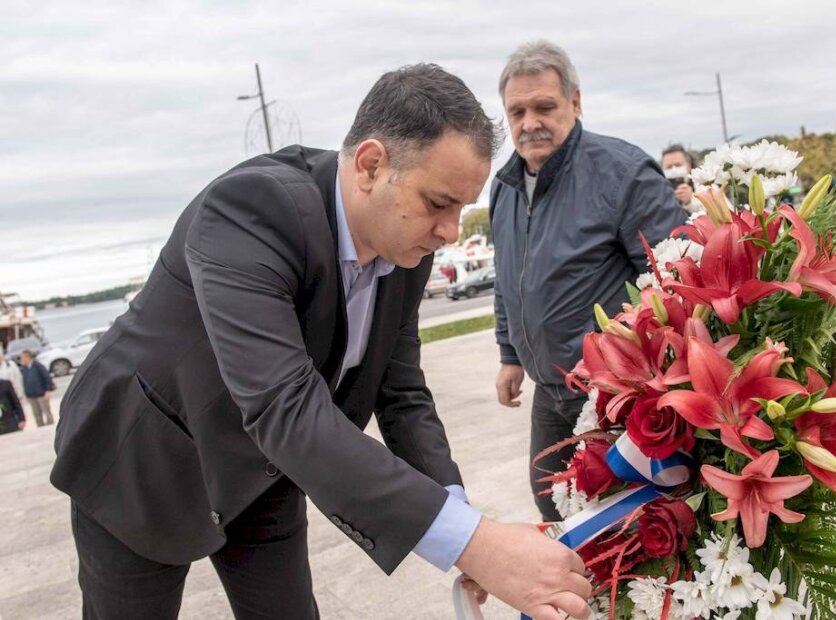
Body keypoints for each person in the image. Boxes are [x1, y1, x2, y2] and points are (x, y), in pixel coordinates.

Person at [50, 64, 591, 620]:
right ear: (371, 165)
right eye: (438, 203)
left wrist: (462, 523)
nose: (452, 233)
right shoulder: (250, 210)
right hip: (144, 461)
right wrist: (474, 542)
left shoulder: (404, 246)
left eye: (461, 209)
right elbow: (285, 406)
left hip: (267, 471)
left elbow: (400, 391)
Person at [491, 40, 687, 522]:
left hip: (611, 395)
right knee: (551, 504)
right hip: (548, 391)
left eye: (543, 106)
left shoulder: (622, 173)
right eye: (516, 111)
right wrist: (510, 354)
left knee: (622, 519)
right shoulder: (504, 187)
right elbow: (508, 278)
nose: (529, 122)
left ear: (575, 103)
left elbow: (677, 275)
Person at [660, 144, 703, 214]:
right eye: (669, 167)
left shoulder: (704, 186)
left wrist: (690, 202)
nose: (674, 170)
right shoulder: (660, 193)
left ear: (688, 166)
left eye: (678, 165)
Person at [19, 350, 54, 426]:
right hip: (31, 395)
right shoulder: (24, 368)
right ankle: (40, 427)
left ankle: (50, 426)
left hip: (41, 394)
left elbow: (47, 377)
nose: (21, 359)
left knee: (47, 412)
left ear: (27, 357)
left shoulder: (38, 366)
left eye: (22, 357)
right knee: (37, 415)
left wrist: (48, 390)